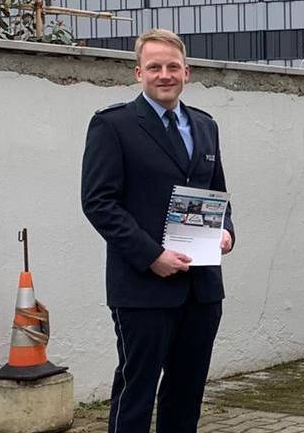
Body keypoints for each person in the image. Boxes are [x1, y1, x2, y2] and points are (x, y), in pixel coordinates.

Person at [81, 29, 235, 433]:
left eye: (172, 66)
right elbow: (99, 203)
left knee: (187, 392)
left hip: (201, 286)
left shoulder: (205, 126)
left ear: (187, 72)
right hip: (142, 287)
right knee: (138, 390)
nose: (164, 74)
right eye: (154, 67)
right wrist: (152, 256)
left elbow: (216, 192)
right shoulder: (112, 126)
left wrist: (226, 231)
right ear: (138, 73)